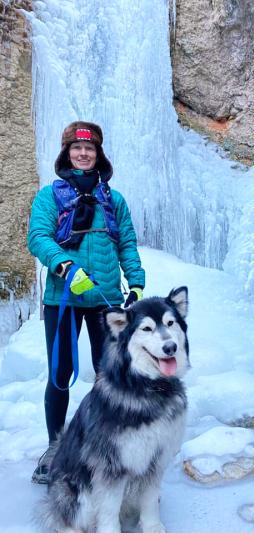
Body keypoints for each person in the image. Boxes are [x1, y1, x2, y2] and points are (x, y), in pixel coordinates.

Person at [28, 121, 145, 483]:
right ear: (67, 154)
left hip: (105, 300)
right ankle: (55, 445)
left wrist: (136, 284)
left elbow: (126, 243)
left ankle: (104, 442)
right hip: (62, 297)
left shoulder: (114, 200)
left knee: (108, 374)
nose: (83, 154)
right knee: (61, 373)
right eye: (76, 149)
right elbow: (38, 237)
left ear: (98, 155)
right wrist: (64, 265)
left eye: (89, 149)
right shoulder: (50, 196)